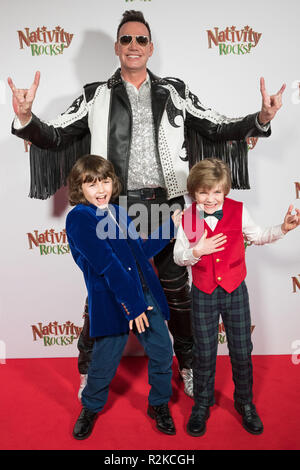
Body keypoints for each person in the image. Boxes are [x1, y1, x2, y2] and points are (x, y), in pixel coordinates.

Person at [8, 10, 285, 398]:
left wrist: (262, 117)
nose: (133, 46)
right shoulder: (96, 95)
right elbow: (55, 137)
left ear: (150, 48)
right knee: (103, 290)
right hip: (116, 208)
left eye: (140, 40)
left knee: (177, 293)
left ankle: (187, 364)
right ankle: (88, 368)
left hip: (166, 206)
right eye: (126, 40)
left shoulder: (174, 91)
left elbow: (217, 127)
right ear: (117, 48)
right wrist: (25, 117)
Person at [174, 158, 300, 436]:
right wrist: (198, 250)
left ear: (225, 191)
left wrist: (283, 228)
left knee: (242, 352)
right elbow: (178, 257)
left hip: (235, 292)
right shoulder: (188, 217)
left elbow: (259, 236)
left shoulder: (238, 211)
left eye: (216, 192)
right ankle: (202, 405)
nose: (210, 198)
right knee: (204, 354)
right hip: (203, 294)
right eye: (204, 192)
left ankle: (245, 404)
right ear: (194, 192)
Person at [66, 154, 181, 439]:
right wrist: (132, 306)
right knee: (105, 361)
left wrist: (169, 228)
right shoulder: (79, 218)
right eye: (91, 184)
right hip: (112, 299)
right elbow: (107, 264)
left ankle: (159, 404)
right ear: (80, 188)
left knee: (163, 352)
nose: (100, 189)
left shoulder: (117, 211)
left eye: (104, 180)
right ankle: (90, 407)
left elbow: (137, 252)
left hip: (142, 292)